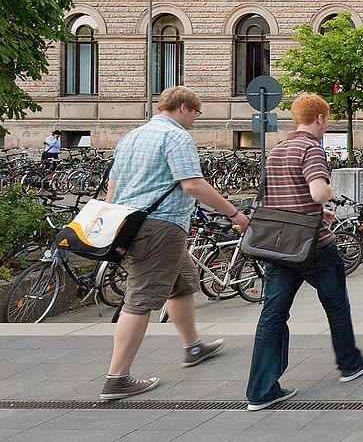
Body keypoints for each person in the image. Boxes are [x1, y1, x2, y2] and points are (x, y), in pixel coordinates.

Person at [99, 87, 250, 402]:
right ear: (184, 108)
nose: (195, 120)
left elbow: (113, 185)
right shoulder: (177, 137)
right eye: (196, 113)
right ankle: (117, 379)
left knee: (181, 284)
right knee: (140, 300)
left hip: (131, 223)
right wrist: (234, 212)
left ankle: (193, 346)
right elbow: (193, 183)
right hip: (160, 227)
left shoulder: (132, 136)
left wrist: (113, 228)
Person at [247, 93, 363, 410]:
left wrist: (316, 212)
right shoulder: (311, 148)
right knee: (336, 303)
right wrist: (328, 196)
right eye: (327, 118)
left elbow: (275, 198)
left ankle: (260, 391)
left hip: (279, 247)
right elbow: (317, 192)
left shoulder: (276, 151)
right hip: (313, 246)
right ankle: (349, 363)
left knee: (272, 316)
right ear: (320, 118)